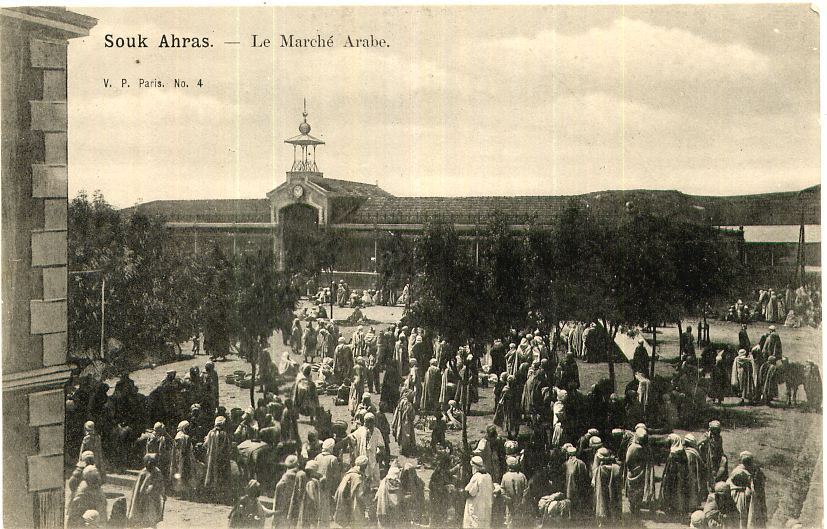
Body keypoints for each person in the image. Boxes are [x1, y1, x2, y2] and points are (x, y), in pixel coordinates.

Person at [345, 413, 385, 489]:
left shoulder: (377, 431)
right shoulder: (361, 430)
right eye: (367, 421)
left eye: (371, 422)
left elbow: (381, 445)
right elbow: (352, 437)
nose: (369, 424)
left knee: (374, 474)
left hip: (373, 456)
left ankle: (374, 489)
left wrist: (379, 451)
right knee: (363, 473)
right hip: (363, 455)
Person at [729, 451, 767, 529]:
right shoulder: (738, 471)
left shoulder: (755, 471)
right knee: (743, 518)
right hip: (741, 499)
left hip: (749, 499)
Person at [128, 454, 166, 528]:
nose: (150, 465)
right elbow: (139, 489)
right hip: (144, 500)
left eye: (152, 463)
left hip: (153, 499)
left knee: (152, 517)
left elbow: (161, 484)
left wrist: (163, 494)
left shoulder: (157, 472)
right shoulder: (143, 473)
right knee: (144, 518)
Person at [625, 429, 656, 517]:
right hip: (643, 473)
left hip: (633, 472)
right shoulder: (647, 448)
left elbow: (628, 460)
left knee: (632, 490)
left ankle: (633, 507)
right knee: (639, 491)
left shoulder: (632, 447)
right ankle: (637, 508)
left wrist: (632, 468)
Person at [333, 455, 369, 528]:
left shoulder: (348, 474)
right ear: (363, 466)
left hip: (345, 503)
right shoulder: (357, 477)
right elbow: (360, 495)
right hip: (354, 505)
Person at [204, 416, 233, 503]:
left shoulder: (211, 433)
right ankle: (220, 496)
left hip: (211, 458)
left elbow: (205, 444)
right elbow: (227, 447)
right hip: (221, 459)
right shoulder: (224, 434)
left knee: (212, 474)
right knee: (221, 476)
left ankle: (212, 495)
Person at [659, 433, 690, 516]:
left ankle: (670, 509)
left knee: (670, 491)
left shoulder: (673, 453)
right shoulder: (682, 452)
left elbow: (670, 468)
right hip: (681, 476)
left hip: (672, 477)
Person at [591, 448, 622, 527]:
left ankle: (602, 522)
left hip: (602, 492)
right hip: (613, 493)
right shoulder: (616, 468)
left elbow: (593, 477)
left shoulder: (599, 470)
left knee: (602, 501)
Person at [314, 438, 340, 524]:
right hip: (328, 485)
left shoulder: (318, 457)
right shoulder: (333, 459)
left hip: (318, 484)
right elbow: (336, 476)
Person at [463, 456, 494, 528]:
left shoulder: (477, 476)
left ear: (474, 467)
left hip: (476, 507)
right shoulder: (488, 476)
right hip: (486, 508)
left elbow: (470, 492)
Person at [272, 455, 302, 527]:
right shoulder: (299, 477)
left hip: (282, 509)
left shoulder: (284, 479)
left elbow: (277, 499)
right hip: (293, 509)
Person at [699, 420, 728, 490]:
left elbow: (720, 449)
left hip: (716, 459)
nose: (715, 432)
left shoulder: (719, 438)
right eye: (714, 430)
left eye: (717, 430)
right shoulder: (705, 436)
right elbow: (699, 447)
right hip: (707, 459)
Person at [562, 444, 589, 518]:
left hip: (569, 489)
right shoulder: (582, 463)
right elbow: (586, 477)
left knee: (571, 507)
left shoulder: (566, 464)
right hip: (579, 489)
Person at [169, 420, 196, 497]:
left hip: (177, 458)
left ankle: (179, 491)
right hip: (184, 458)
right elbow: (187, 450)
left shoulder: (177, 436)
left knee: (178, 473)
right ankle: (185, 493)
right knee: (185, 474)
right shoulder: (186, 437)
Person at [500, 456, 527, 529]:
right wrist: (523, 500)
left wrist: (507, 499)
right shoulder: (522, 476)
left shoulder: (505, 476)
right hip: (520, 504)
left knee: (510, 522)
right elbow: (526, 490)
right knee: (520, 523)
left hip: (510, 505)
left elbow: (502, 490)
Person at [684, 434, 708, 511]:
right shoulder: (694, 452)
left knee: (691, 490)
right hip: (694, 474)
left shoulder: (689, 453)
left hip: (691, 474)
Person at [391, 389, 417, 456]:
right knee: (405, 435)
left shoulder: (401, 401)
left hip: (399, 419)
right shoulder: (407, 404)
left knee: (400, 433)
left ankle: (402, 449)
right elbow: (410, 414)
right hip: (405, 421)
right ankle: (405, 451)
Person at [300, 460, 323, 529]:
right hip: (312, 505)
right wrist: (316, 505)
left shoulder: (310, 480)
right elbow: (313, 496)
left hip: (309, 505)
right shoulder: (312, 482)